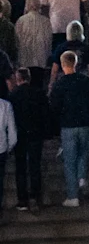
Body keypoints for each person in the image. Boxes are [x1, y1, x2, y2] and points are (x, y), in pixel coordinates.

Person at [47, 50, 89, 207]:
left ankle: (72, 195)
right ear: (75, 63)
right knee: (82, 153)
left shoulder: (59, 84)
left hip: (68, 125)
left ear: (63, 65)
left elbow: (54, 107)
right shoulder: (86, 81)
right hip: (85, 124)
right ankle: (82, 177)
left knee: (69, 160)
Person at [12, 67, 47, 212]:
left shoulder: (13, 95)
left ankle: (22, 199)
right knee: (35, 165)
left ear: (18, 78)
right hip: (35, 134)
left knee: (20, 167)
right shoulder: (38, 94)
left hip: (19, 135)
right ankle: (35, 196)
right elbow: (45, 114)